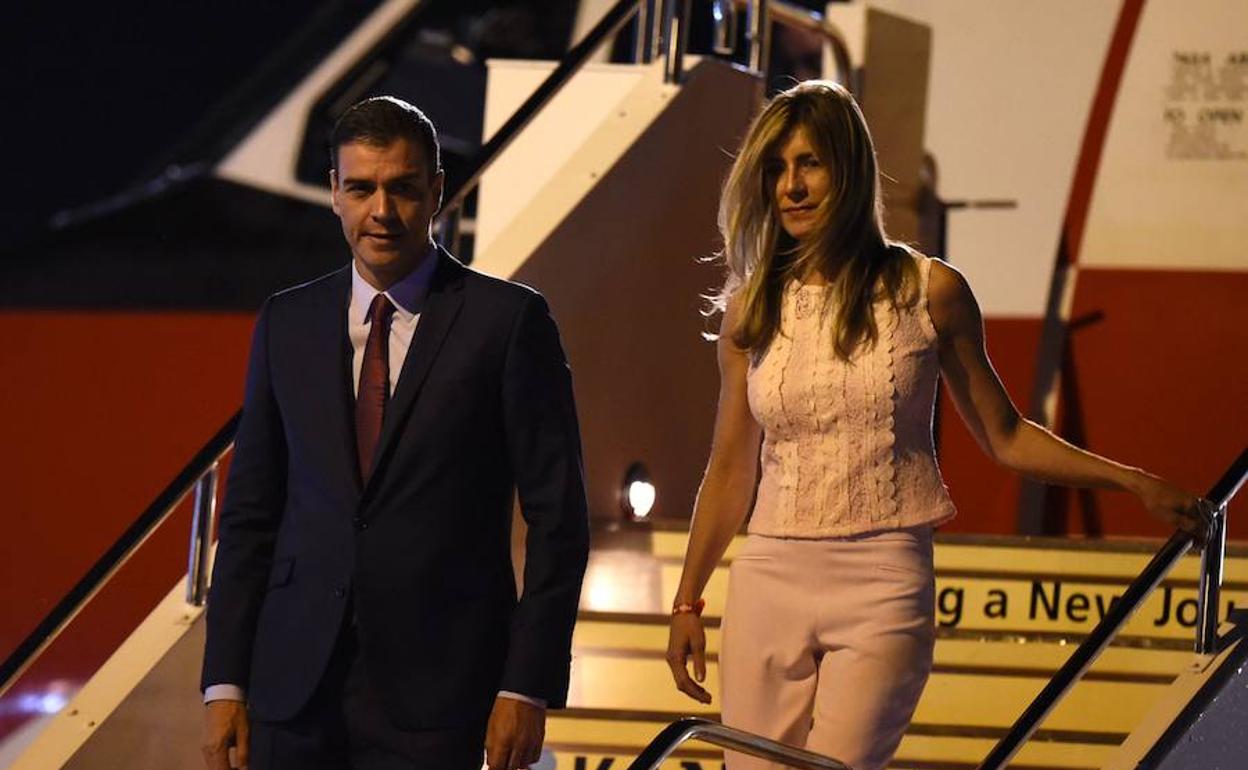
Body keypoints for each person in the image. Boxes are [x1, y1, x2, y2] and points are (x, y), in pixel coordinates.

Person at [664, 80, 1207, 770]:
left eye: (810, 163)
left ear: (850, 170)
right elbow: (732, 465)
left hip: (883, 579)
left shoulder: (930, 293)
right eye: (775, 169)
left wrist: (1133, 483)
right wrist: (687, 602)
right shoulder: (751, 312)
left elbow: (1005, 435)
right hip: (771, 572)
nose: (790, 187)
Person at [200, 96, 589, 770]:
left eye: (403, 188)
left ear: (437, 192)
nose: (381, 210)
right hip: (292, 690)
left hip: (443, 693)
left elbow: (559, 519)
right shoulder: (286, 322)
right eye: (361, 188)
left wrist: (525, 682)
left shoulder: (508, 322)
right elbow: (250, 516)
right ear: (334, 193)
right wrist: (225, 680)